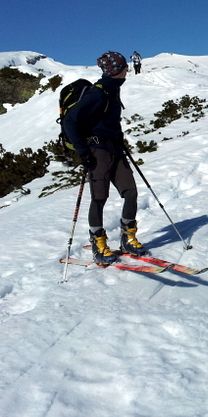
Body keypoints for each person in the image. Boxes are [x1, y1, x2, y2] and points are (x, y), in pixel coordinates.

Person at [61, 51, 147, 265]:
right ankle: (98, 244)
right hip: (97, 151)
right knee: (99, 198)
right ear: (116, 71)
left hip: (115, 148)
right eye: (124, 67)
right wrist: (83, 152)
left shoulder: (112, 90)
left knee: (131, 192)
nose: (127, 70)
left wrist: (118, 138)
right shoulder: (98, 94)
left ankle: (128, 238)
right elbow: (70, 122)